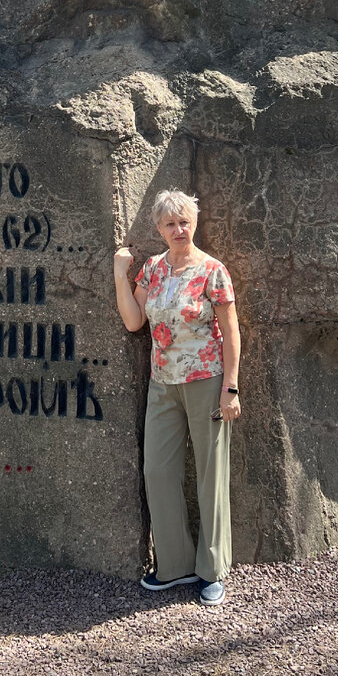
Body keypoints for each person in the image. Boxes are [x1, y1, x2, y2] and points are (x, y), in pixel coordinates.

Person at [114, 190, 241, 607]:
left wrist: (231, 387)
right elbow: (134, 322)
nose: (179, 230)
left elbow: (231, 331)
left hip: (207, 381)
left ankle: (212, 569)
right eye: (170, 224)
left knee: (210, 474)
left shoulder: (213, 271)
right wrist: (120, 275)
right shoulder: (152, 270)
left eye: (184, 222)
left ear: (194, 223)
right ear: (159, 229)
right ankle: (173, 566)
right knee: (158, 471)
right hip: (163, 384)